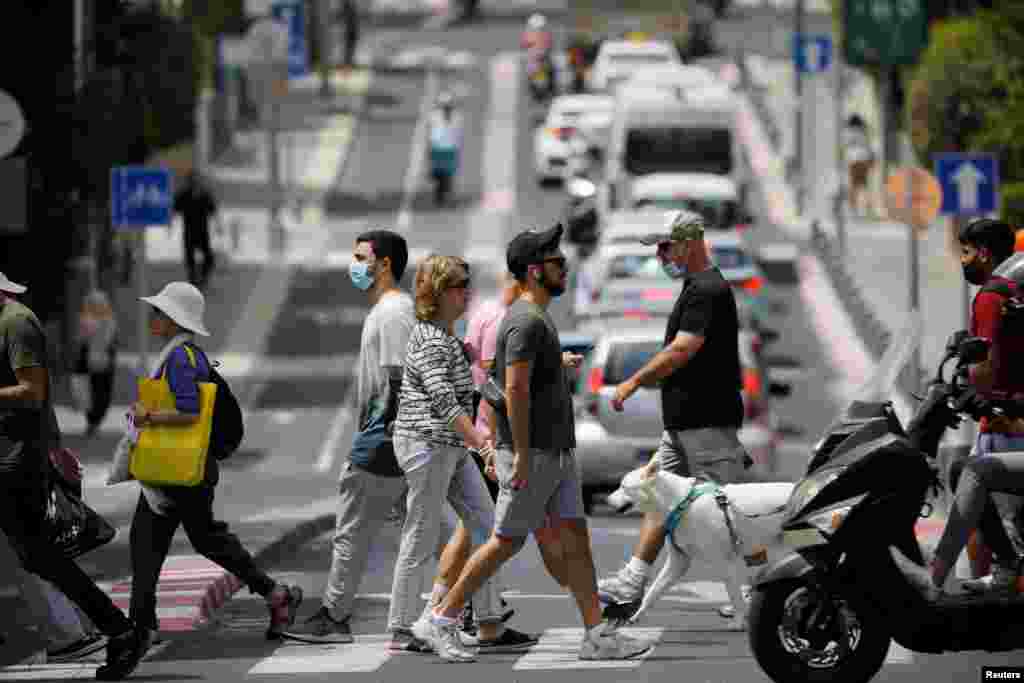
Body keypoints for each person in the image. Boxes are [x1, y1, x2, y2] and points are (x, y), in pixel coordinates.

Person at [415, 225, 651, 662]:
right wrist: (521, 454)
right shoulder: (524, 321)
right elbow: (514, 391)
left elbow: (529, 384)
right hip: (533, 453)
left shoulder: (538, 318)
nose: (564, 266)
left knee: (577, 539)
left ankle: (596, 635)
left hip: (557, 452)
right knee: (505, 541)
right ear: (533, 270)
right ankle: (439, 619)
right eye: (555, 261)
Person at [129, 282, 302, 644]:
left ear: (174, 320)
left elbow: (190, 412)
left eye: (159, 312)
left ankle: (141, 628)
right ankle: (274, 595)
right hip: (185, 469)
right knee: (193, 539)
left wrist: (148, 417)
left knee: (154, 543)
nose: (153, 317)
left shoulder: (179, 358)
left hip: (177, 471)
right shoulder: (188, 355)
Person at [597, 210, 750, 607]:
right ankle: (633, 580)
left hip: (706, 423)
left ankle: (758, 590)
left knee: (728, 510)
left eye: (666, 247)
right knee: (661, 499)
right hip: (682, 426)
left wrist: (633, 381)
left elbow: (683, 349)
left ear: (689, 243)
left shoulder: (706, 290)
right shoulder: (695, 287)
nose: (661, 257)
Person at [0, 271, 147, 680]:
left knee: (41, 557)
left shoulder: (16, 322)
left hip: (16, 463)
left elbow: (33, 391)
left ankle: (119, 629)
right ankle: (119, 629)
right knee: (39, 557)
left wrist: (52, 449)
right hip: (10, 459)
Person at [388, 255, 536, 655]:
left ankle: (485, 620)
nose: (466, 291)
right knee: (419, 535)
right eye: (458, 285)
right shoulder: (431, 340)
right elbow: (446, 404)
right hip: (426, 444)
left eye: (467, 283)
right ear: (437, 293)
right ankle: (404, 627)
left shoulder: (445, 336)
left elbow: (471, 386)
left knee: (488, 525)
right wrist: (484, 444)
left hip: (449, 447)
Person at [282, 230, 418, 646]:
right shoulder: (388, 309)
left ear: (385, 264)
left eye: (362, 258)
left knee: (352, 533)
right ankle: (467, 610)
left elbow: (399, 378)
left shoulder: (393, 312)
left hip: (381, 440)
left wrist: (386, 436)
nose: (354, 265)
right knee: (427, 532)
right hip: (389, 438)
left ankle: (335, 617)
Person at [426, 272, 571, 638]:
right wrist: (494, 447)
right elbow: (502, 384)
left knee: (482, 532)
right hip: (500, 443)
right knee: (503, 535)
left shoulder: (486, 315)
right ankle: (442, 613)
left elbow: (483, 372)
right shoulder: (507, 321)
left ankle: (477, 618)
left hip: (492, 441)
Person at [893, 218, 1024, 596]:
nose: (962, 261)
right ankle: (1003, 568)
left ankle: (935, 577)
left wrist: (969, 389)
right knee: (959, 467)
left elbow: (985, 366)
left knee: (973, 472)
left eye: (965, 253)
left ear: (983, 252)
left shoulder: (993, 296)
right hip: (1004, 419)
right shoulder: (1011, 295)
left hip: (1007, 425)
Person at [75, 290, 118, 437]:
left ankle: (94, 422)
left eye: (100, 305)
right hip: (91, 365)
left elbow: (111, 343)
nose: (97, 307)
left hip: (104, 365)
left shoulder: (109, 322)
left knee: (101, 394)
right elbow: (82, 342)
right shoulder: (86, 321)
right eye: (94, 305)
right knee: (93, 394)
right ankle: (92, 422)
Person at [173, 172, 220, 289]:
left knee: (209, 257)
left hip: (203, 232)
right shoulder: (183, 195)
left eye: (198, 181)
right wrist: (170, 224)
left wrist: (219, 226)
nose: (196, 183)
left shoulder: (205, 195)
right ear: (189, 182)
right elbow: (174, 210)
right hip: (189, 232)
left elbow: (213, 211)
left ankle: (203, 277)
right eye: (193, 181)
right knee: (190, 258)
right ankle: (193, 280)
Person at [429, 93, 463, 207]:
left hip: (449, 148)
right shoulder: (434, 116)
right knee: (438, 173)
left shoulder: (456, 117)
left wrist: (457, 147)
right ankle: (439, 195)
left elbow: (458, 133)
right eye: (444, 106)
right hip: (438, 147)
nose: (446, 108)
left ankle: (444, 195)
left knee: (447, 174)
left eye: (447, 106)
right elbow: (432, 131)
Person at [842, 114, 876, 218]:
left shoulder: (849, 133)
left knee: (855, 187)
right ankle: (865, 209)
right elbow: (868, 147)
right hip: (861, 160)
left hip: (854, 161)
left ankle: (856, 210)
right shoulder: (863, 132)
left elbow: (847, 147)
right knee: (863, 187)